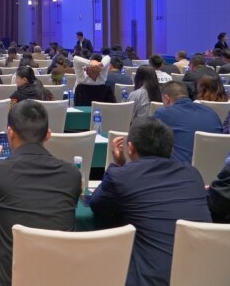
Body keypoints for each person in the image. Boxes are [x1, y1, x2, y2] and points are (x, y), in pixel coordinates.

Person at [0, 101, 81, 286]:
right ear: (48, 134)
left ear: (10, 133)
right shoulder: (72, 174)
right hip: (58, 278)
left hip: (8, 280)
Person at [89, 118, 211, 286]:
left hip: (150, 279)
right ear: (171, 149)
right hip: (204, 277)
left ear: (130, 148)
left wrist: (118, 165)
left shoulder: (121, 175)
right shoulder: (192, 174)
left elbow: (97, 205)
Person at [153, 81, 222, 163]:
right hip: (214, 168)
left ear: (166, 98)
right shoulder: (211, 112)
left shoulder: (163, 113)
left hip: (180, 169)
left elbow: (148, 141)